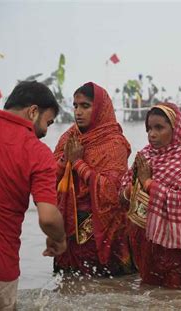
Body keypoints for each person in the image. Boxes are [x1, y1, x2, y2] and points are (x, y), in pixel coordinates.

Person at [0, 81, 66, 310]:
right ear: (33, 111)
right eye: (47, 122)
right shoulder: (39, 153)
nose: (44, 132)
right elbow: (49, 218)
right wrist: (58, 239)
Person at [120, 103, 181, 289]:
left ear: (175, 129)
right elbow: (122, 196)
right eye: (149, 129)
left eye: (159, 128)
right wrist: (132, 189)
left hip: (178, 251)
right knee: (153, 295)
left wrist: (148, 184)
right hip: (148, 246)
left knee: (180, 299)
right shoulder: (145, 155)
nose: (151, 134)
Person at [53, 82, 134, 276]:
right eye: (75, 106)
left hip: (102, 233)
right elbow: (48, 178)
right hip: (69, 231)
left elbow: (111, 192)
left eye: (85, 106)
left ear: (100, 108)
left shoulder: (114, 144)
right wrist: (66, 160)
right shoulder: (69, 138)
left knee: (106, 291)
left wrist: (79, 163)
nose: (78, 112)